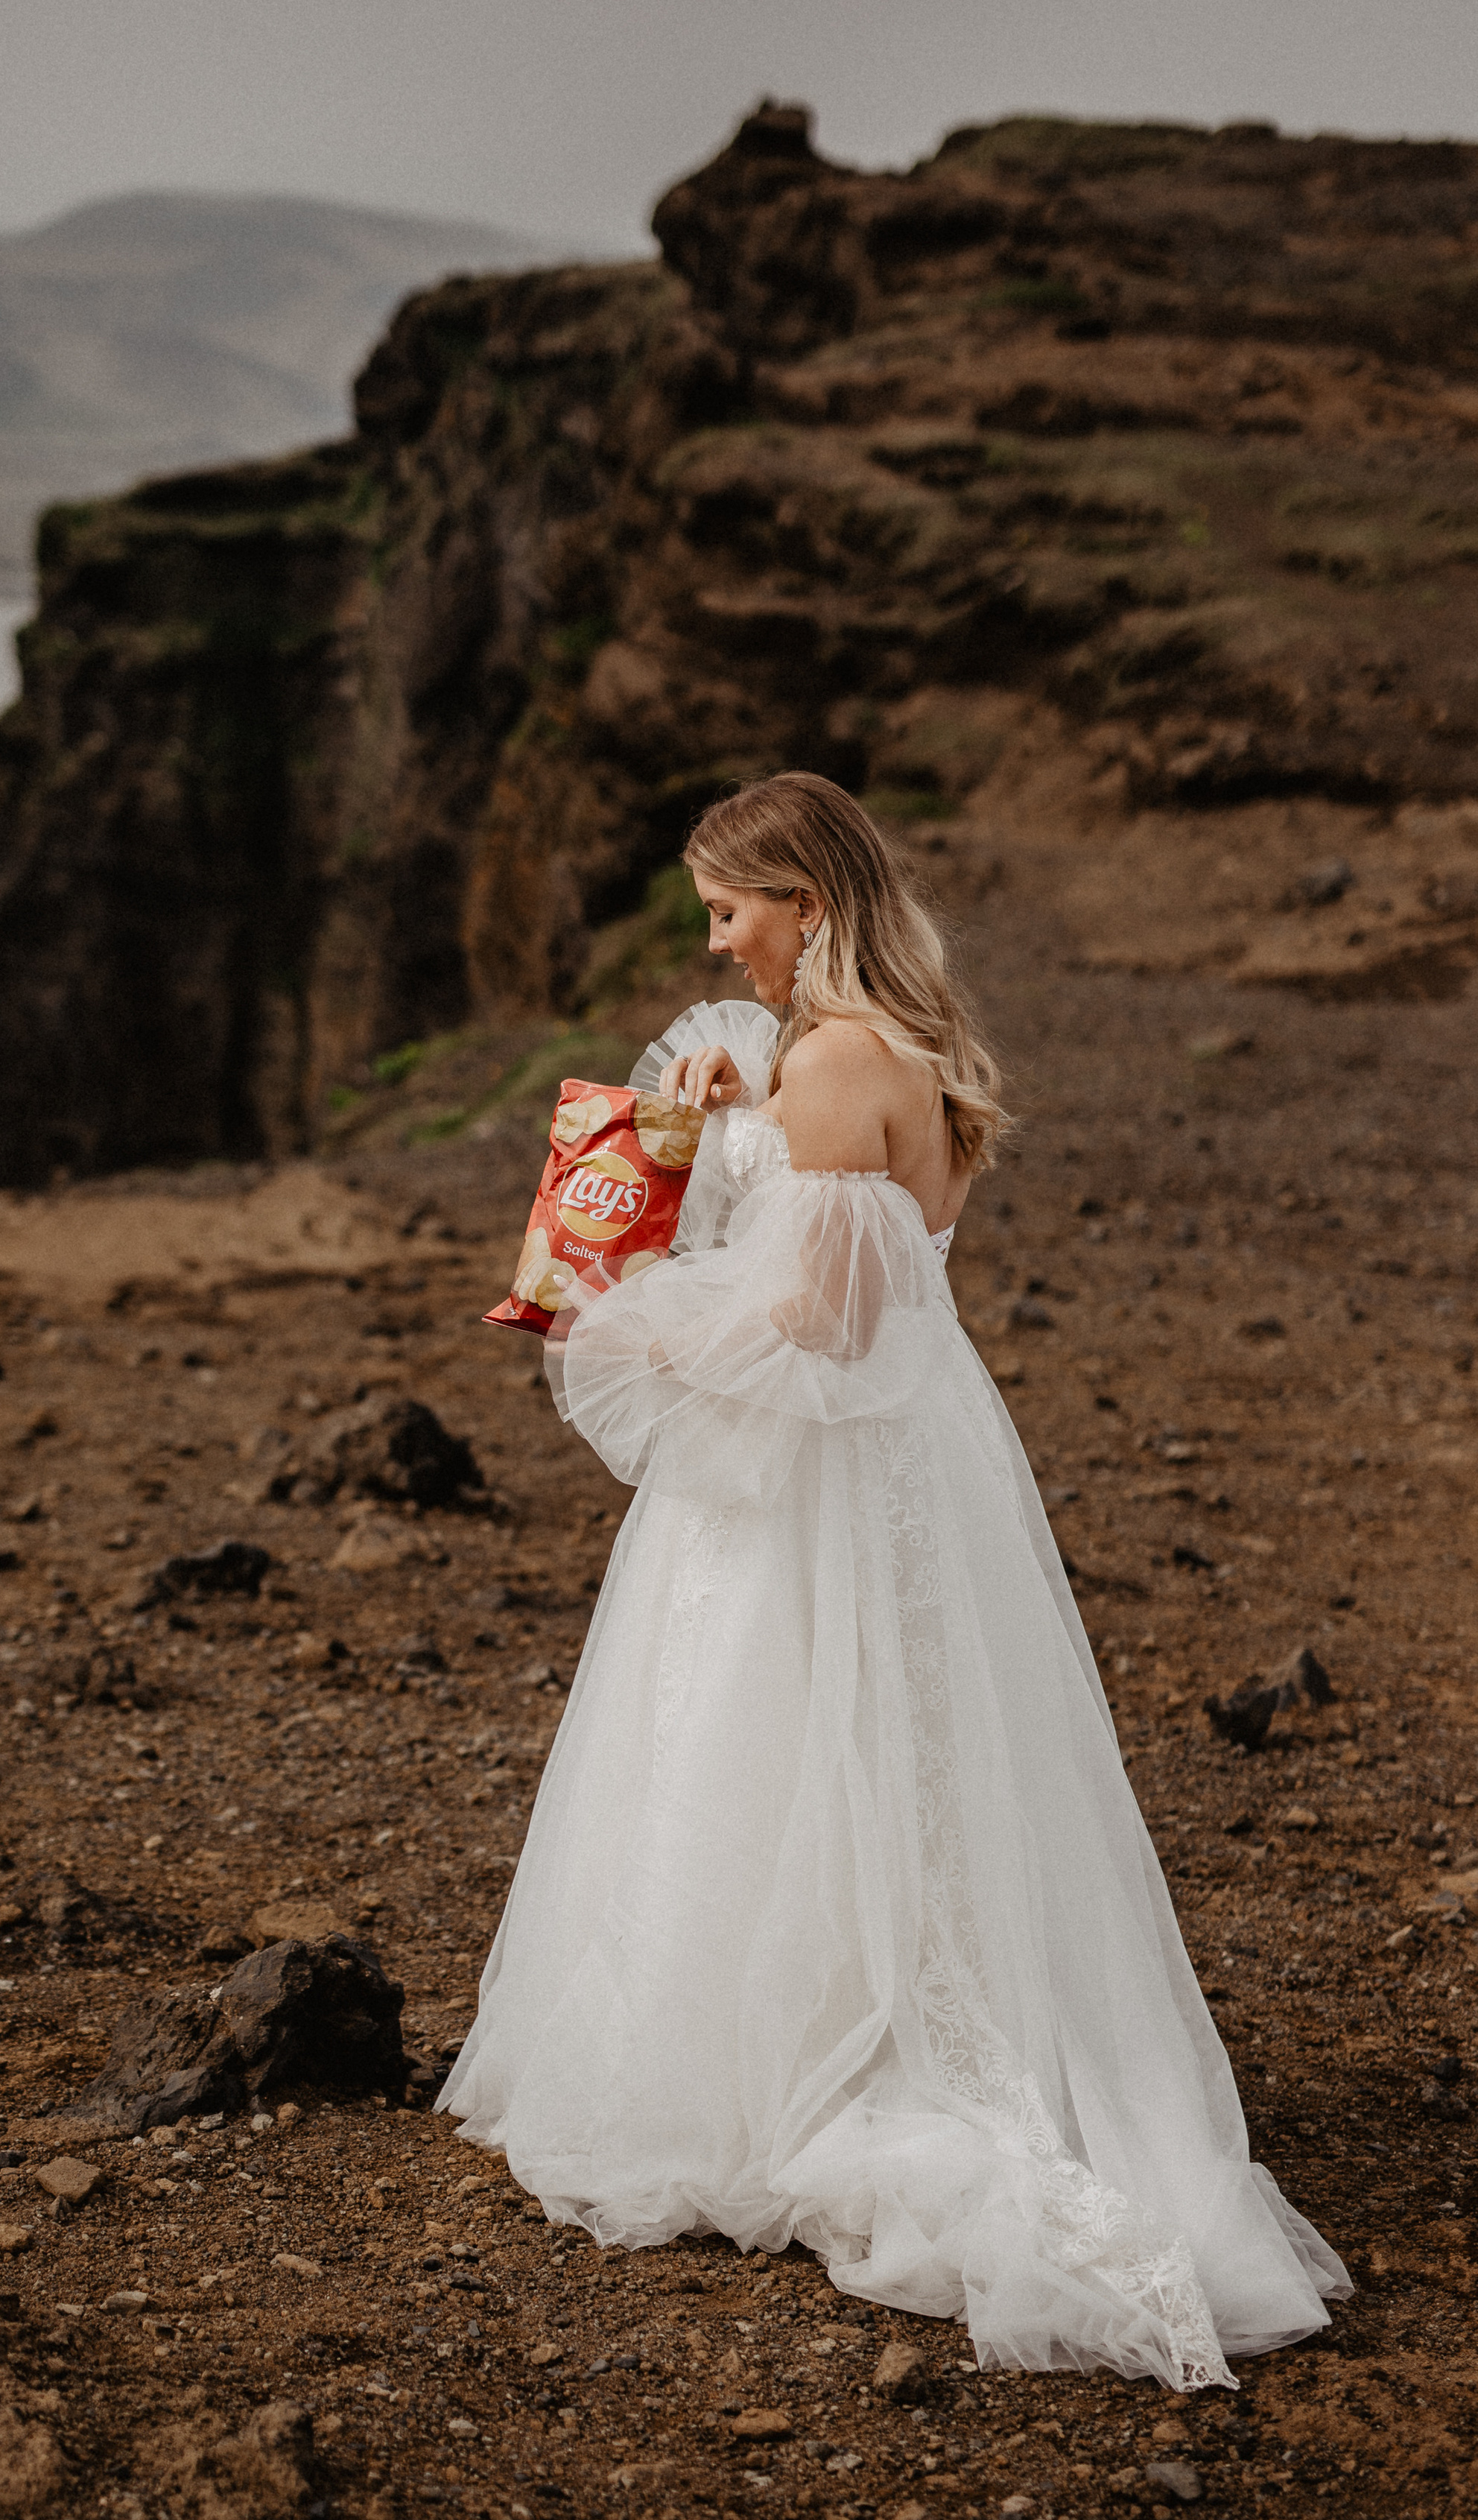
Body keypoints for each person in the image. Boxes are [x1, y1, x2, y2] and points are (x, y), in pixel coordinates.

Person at [440, 771, 1348, 2390]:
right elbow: (875, 1267)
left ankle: (794, 2054)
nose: (719, 940)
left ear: (807, 900)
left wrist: (627, 1314)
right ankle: (878, 1997)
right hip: (904, 1463)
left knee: (780, 1738)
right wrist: (728, 1125)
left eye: (733, 909)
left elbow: (822, 1325)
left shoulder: (840, 1056)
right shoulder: (890, 1056)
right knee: (901, 1752)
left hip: (823, 1472)